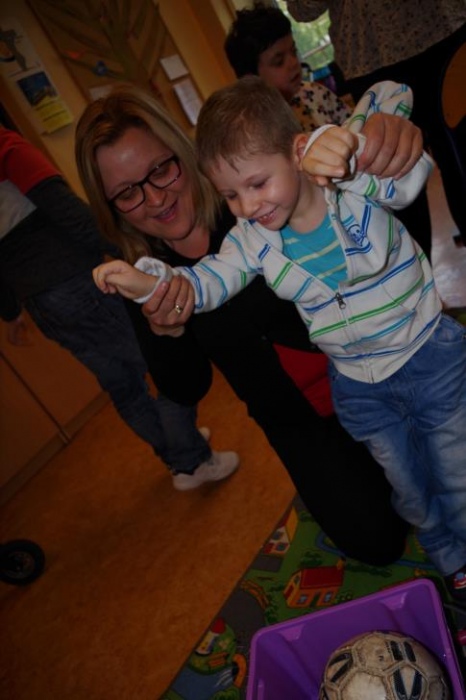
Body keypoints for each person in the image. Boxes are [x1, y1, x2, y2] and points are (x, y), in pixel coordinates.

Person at [92, 77, 466, 603]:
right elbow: (200, 305)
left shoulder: (318, 181)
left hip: (414, 356)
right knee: (395, 511)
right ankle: (449, 551)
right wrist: (155, 292)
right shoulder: (249, 234)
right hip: (343, 396)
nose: (154, 196)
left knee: (453, 468)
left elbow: (395, 116)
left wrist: (362, 142)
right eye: (128, 192)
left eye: (160, 170)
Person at [0, 125, 239, 492]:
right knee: (161, 363)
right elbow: (71, 213)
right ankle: (190, 460)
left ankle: (179, 454)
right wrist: (128, 250)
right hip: (81, 282)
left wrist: (10, 309)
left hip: (41, 302)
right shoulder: (7, 149)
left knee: (123, 386)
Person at [286, 0, 466, 248]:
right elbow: (302, 9)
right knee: (396, 191)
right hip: (372, 54)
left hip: (442, 34)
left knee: (460, 161)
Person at [224, 2, 353, 135]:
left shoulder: (315, 93)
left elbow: (353, 125)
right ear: (251, 79)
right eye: (279, 62)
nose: (293, 63)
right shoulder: (254, 129)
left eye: (293, 51)